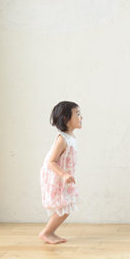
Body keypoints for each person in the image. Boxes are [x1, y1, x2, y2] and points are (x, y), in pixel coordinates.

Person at [38, 101, 82, 244]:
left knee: (67, 205)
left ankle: (50, 232)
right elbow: (51, 162)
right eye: (77, 114)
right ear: (65, 119)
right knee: (65, 205)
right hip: (56, 176)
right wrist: (63, 174)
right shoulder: (62, 139)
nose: (81, 117)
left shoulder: (71, 137)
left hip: (63, 176)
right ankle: (46, 232)